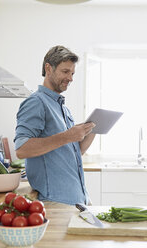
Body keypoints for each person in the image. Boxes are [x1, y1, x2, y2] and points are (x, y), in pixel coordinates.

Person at [14, 45, 96, 205]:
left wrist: (92, 130)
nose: (70, 78)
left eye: (72, 73)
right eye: (65, 72)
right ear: (48, 68)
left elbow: (75, 152)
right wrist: (68, 136)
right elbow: (21, 149)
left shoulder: (62, 108)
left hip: (78, 199)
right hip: (55, 202)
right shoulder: (36, 102)